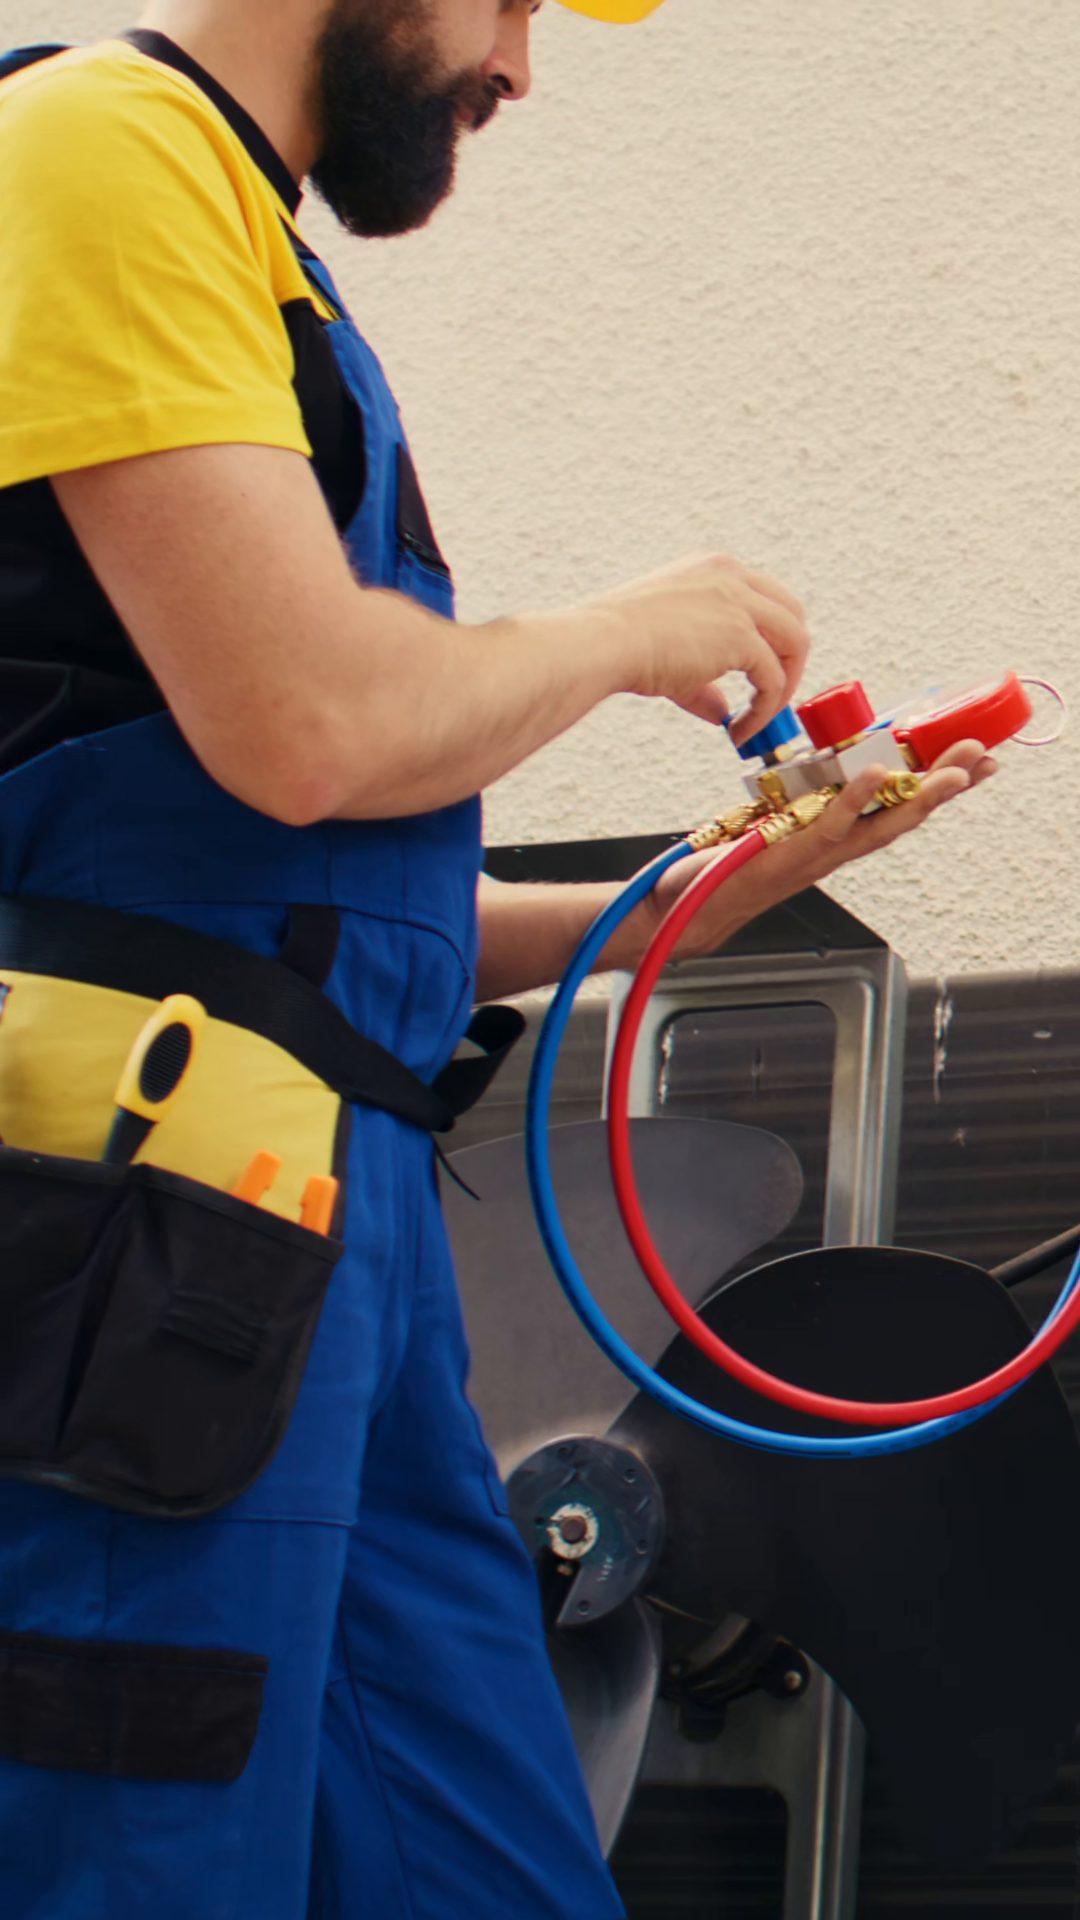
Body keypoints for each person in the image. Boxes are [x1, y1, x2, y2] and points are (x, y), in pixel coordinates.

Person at [0, 3, 994, 1916]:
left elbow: (296, 920)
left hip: (312, 1231)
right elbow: (308, 726)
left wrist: (721, 889)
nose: (522, 69)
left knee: (487, 1870)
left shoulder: (262, 265)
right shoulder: (98, 146)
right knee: (135, 1857)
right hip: (136, 1242)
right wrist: (628, 634)